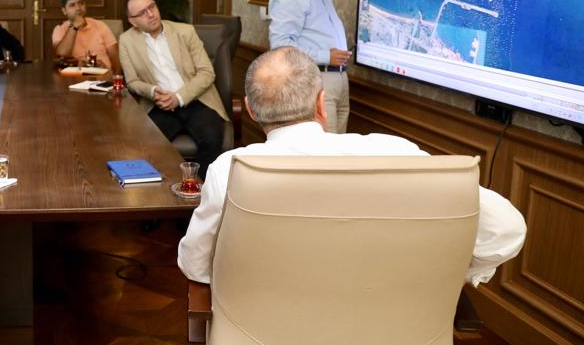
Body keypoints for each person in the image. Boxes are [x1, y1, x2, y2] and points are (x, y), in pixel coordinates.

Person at [177, 46, 527, 286]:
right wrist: (442, 278)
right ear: (322, 104)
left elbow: (195, 265)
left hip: (263, 343)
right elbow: (506, 227)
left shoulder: (230, 169)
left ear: (252, 112)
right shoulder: (395, 154)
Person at [119, 0, 228, 177]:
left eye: (152, 7)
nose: (151, 14)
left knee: (211, 140)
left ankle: (200, 191)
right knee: (146, 146)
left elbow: (207, 72)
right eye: (142, 13)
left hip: (197, 100)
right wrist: (153, 91)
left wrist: (178, 97)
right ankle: (165, 191)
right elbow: (132, 81)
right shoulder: (126, 40)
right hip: (159, 104)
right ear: (132, 21)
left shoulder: (185, 31)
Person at [268, 0, 351, 133]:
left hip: (338, 82)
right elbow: (281, 48)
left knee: (338, 149)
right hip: (317, 82)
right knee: (325, 151)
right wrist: (327, 56)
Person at [51, 0, 120, 72]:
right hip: (75, 76)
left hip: (104, 74)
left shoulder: (100, 26)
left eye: (81, 3)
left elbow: (116, 59)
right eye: (72, 5)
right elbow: (62, 53)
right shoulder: (59, 29)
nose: (78, 8)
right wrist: (74, 27)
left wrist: (115, 77)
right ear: (64, 11)